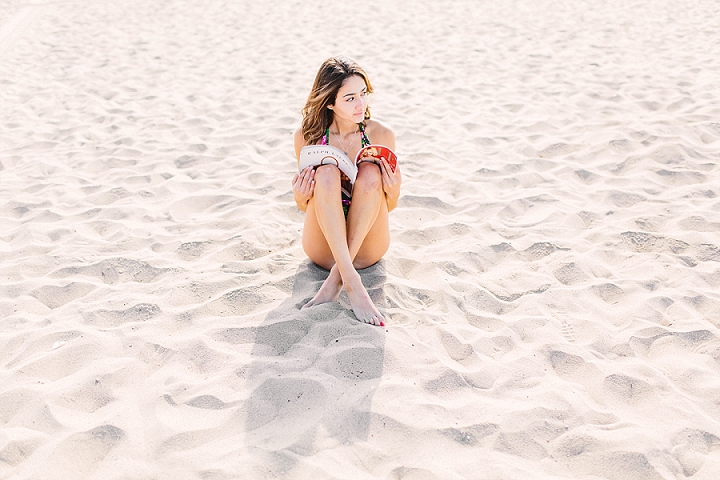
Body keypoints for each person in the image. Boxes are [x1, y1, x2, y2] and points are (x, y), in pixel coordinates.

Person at [292, 56, 402, 327]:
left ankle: (338, 279)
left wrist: (393, 189)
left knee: (370, 171)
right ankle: (349, 278)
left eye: (363, 94)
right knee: (326, 172)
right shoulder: (308, 136)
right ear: (330, 102)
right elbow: (306, 207)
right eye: (350, 98)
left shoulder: (381, 134)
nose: (360, 104)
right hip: (323, 250)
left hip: (366, 249)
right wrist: (300, 194)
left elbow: (390, 206)